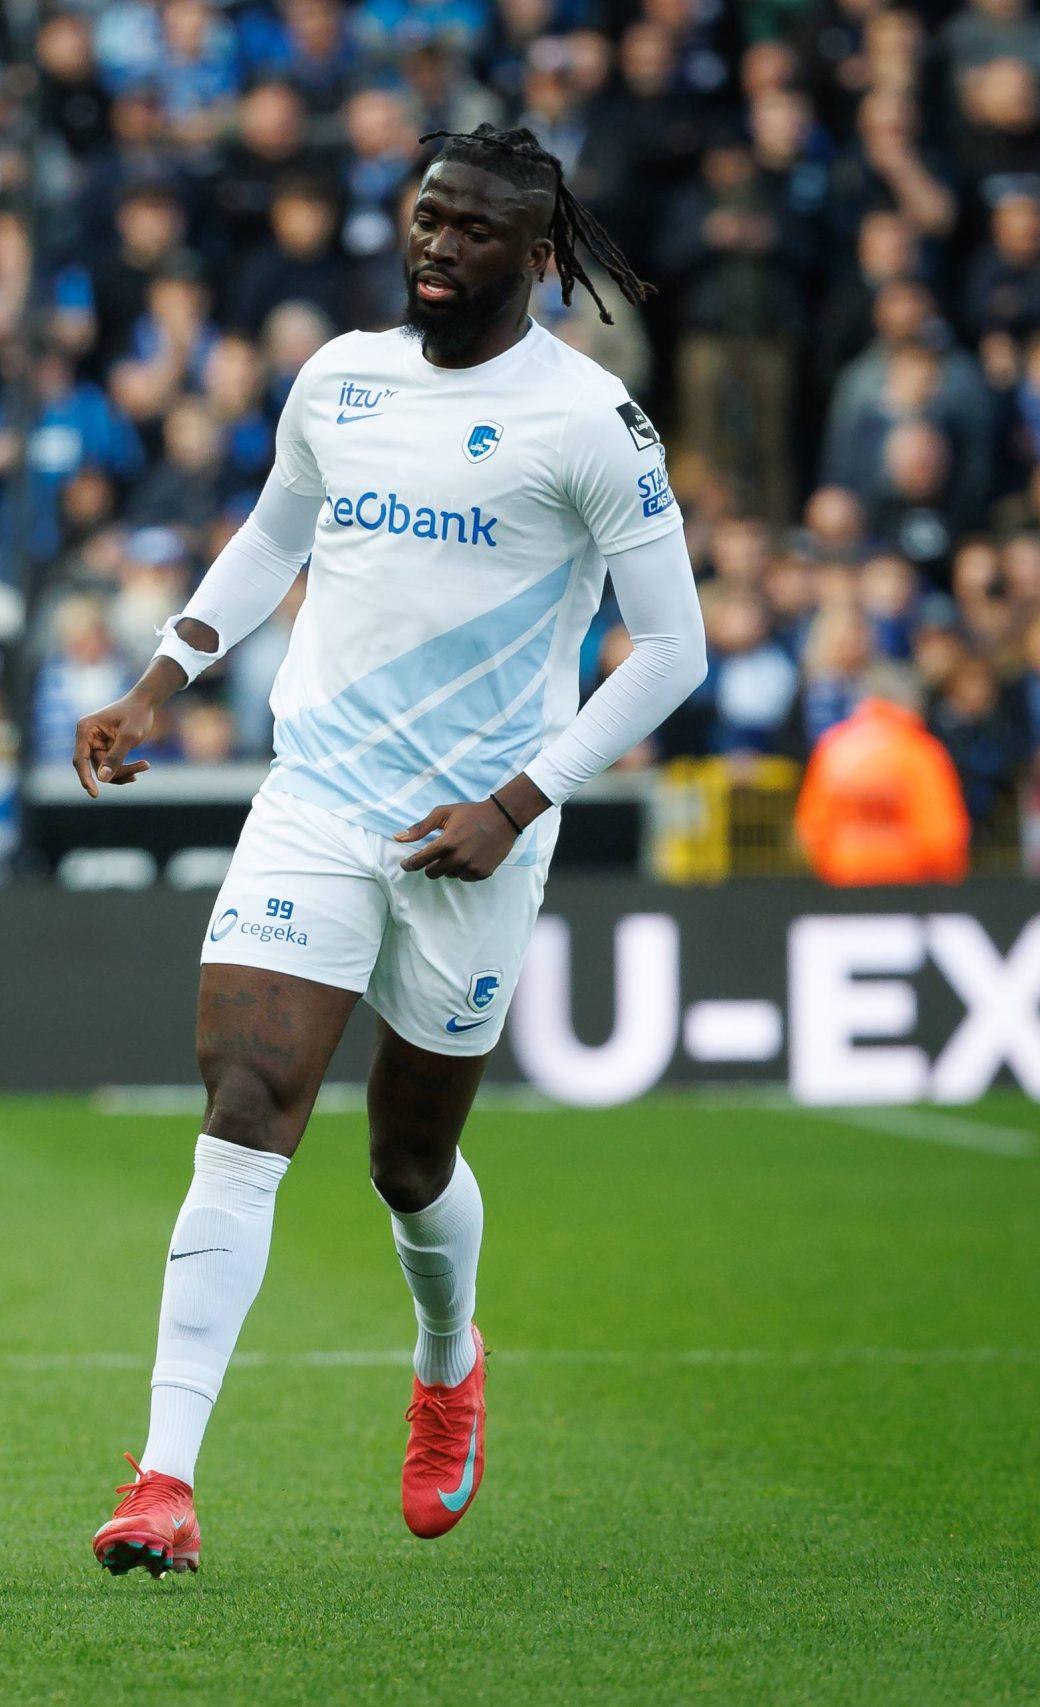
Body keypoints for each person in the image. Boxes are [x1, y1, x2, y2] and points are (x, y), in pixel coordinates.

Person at [70, 125, 707, 1575]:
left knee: (410, 1162)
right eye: (426, 218)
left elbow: (673, 649)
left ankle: (445, 1357)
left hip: (472, 838)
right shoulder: (339, 378)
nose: (436, 245)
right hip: (317, 797)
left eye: (471, 228)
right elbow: (271, 532)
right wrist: (160, 675)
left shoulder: (588, 423)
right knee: (247, 1098)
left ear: (538, 257)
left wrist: (519, 803)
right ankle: (162, 1479)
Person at [793, 664, 971, 886]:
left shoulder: (833, 748)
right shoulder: (920, 751)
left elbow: (812, 829)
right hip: (909, 888)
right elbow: (942, 836)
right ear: (909, 700)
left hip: (843, 882)